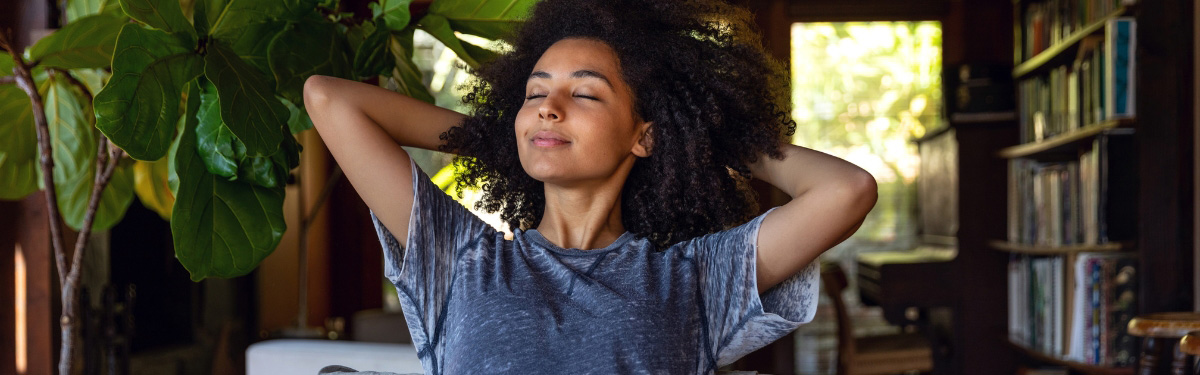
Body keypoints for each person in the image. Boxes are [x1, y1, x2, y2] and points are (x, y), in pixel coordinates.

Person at [303, 0, 877, 373]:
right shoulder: (460, 257)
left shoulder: (694, 280)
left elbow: (846, 190)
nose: (547, 107)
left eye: (583, 94)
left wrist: (697, 138)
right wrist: (504, 139)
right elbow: (328, 98)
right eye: (534, 94)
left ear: (643, 135)